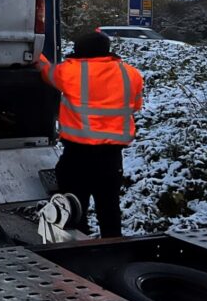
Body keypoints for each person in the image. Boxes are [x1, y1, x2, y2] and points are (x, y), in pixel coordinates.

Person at [37, 31, 143, 238]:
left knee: (75, 205)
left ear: (79, 51)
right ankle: (114, 251)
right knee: (109, 206)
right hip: (111, 156)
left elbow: (45, 72)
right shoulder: (131, 74)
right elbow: (136, 106)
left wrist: (36, 52)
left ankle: (79, 246)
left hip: (78, 154)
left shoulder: (69, 72)